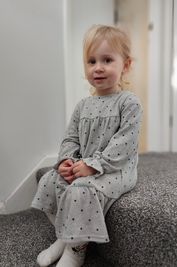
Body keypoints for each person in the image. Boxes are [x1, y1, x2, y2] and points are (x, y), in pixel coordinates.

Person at [31, 24, 142, 267]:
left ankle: (76, 249)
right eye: (92, 61)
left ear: (126, 65)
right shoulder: (83, 105)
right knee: (51, 179)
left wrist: (93, 166)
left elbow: (123, 145)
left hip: (116, 169)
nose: (98, 67)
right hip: (84, 165)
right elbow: (71, 138)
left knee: (80, 189)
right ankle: (65, 234)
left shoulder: (128, 102)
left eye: (107, 60)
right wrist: (67, 161)